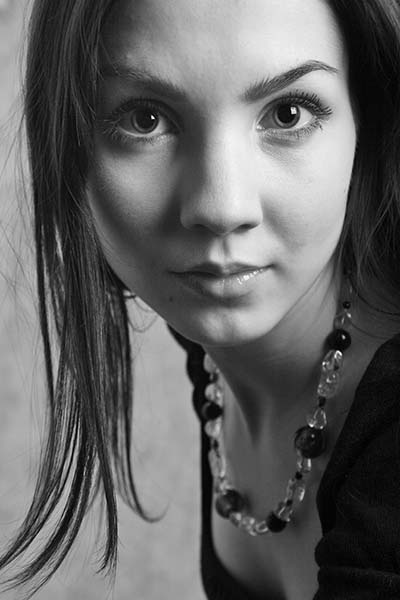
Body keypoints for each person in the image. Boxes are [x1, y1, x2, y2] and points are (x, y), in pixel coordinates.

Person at [2, 0, 400, 598]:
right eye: (145, 120)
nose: (220, 206)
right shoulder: (211, 339)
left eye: (287, 113)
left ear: (367, 122)